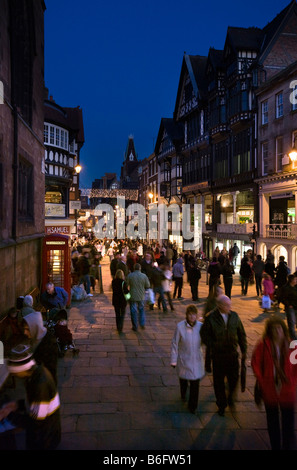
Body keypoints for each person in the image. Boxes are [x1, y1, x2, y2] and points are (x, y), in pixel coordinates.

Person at [0, 343, 61, 450]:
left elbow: (36, 422)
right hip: (46, 433)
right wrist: (16, 405)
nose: (14, 375)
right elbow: (35, 405)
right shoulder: (36, 374)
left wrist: (9, 417)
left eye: (14, 373)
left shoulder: (40, 385)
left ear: (20, 369)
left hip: (44, 439)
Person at [251, 317, 297, 450]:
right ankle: (275, 446)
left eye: (279, 328)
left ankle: (287, 446)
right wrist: (261, 379)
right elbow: (256, 362)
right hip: (269, 388)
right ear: (269, 331)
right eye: (274, 328)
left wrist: (293, 381)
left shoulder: (292, 346)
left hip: (287, 389)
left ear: (284, 330)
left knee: (288, 423)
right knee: (272, 422)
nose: (277, 331)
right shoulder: (263, 345)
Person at [200, 294, 247, 416]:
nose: (229, 307)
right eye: (227, 305)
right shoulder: (211, 318)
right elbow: (204, 334)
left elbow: (241, 333)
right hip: (218, 356)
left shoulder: (234, 316)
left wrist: (244, 349)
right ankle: (221, 404)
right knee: (218, 383)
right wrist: (213, 345)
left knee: (234, 380)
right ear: (219, 305)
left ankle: (230, 397)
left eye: (230, 305)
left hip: (232, 354)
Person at [170, 304, 205, 414]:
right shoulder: (180, 326)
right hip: (184, 359)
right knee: (184, 379)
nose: (192, 317)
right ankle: (183, 393)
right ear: (187, 315)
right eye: (190, 314)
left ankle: (192, 406)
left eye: (194, 314)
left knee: (195, 384)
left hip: (197, 360)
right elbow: (175, 344)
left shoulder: (201, 326)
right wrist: (173, 360)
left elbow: (206, 340)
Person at [22, 311, 59, 384]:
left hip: (44, 385)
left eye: (27, 329)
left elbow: (48, 369)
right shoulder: (37, 338)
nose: (24, 332)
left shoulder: (49, 344)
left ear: (35, 327)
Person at [126, 263, 150, 331]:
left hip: (132, 295)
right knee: (141, 310)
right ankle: (142, 323)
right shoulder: (144, 276)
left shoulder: (130, 275)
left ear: (134, 268)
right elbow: (148, 285)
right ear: (140, 268)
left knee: (133, 311)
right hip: (141, 296)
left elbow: (126, 285)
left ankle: (135, 326)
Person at [111, 269, 129, 333]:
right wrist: (128, 298)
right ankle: (121, 326)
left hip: (115, 300)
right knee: (122, 313)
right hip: (122, 300)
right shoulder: (123, 282)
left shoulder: (113, 281)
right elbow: (126, 291)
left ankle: (118, 326)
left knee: (117, 314)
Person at [281, 274, 297, 340]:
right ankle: (294, 339)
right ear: (291, 280)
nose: (296, 281)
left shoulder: (295, 287)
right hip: (291, 308)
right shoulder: (286, 288)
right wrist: (288, 304)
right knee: (291, 323)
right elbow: (283, 298)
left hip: (296, 307)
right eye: (295, 279)